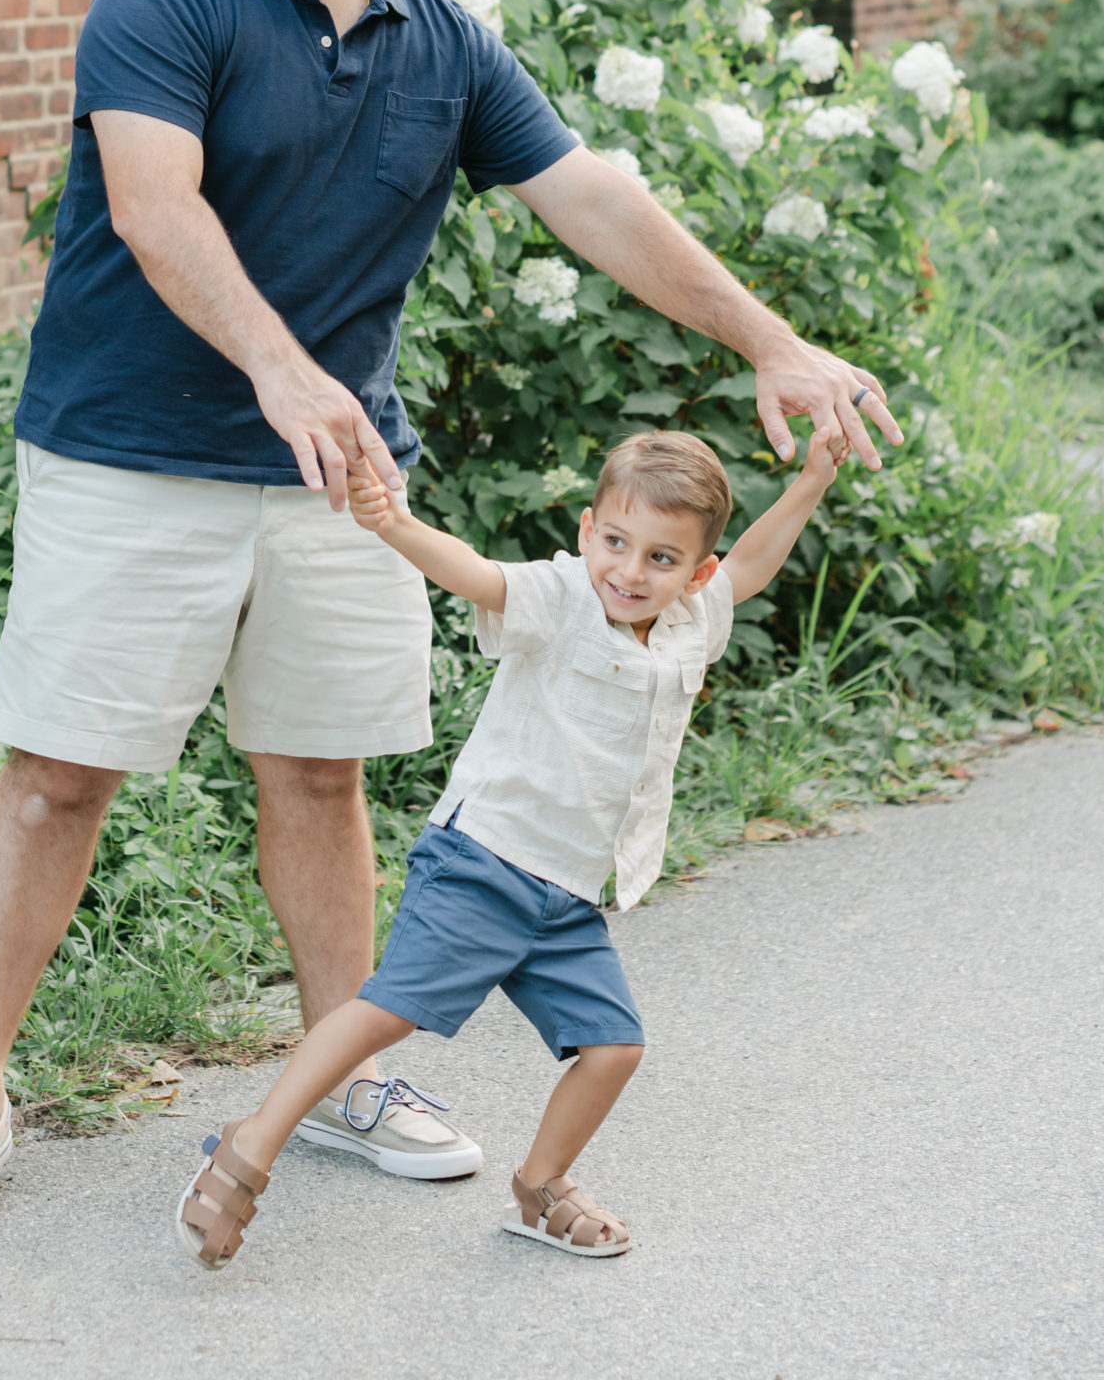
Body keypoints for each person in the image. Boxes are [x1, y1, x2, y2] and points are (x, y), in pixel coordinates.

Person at [0, 0, 899, 1249]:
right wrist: (282, 366)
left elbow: (595, 200)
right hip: (132, 453)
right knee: (58, 775)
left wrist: (772, 341)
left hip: (342, 479)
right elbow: (158, 209)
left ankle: (341, 1075)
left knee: (320, 768)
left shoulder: (447, 43)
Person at [177, 425, 841, 1268]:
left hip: (565, 895)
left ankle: (539, 1189)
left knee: (613, 1047)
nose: (630, 573)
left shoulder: (688, 623)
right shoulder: (559, 599)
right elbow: (475, 574)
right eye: (615, 542)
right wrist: (392, 524)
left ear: (694, 574)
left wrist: (812, 478)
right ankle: (251, 1144)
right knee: (385, 1012)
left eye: (662, 560)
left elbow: (750, 564)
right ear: (585, 530)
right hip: (483, 862)